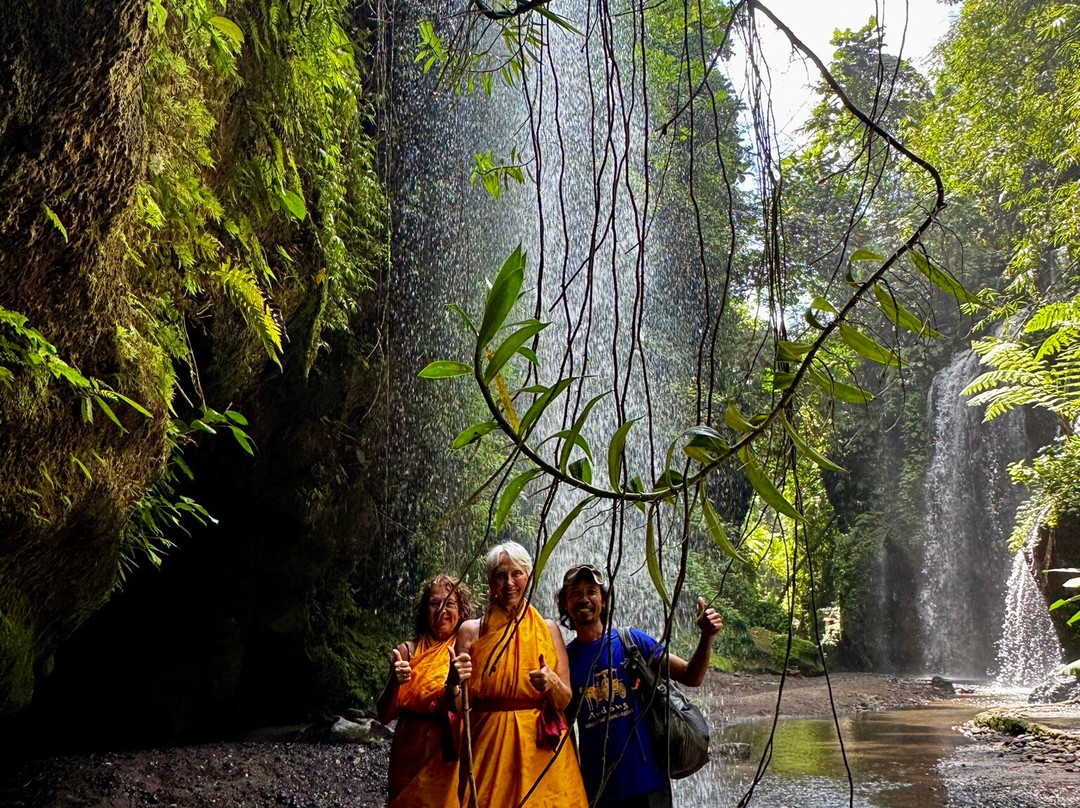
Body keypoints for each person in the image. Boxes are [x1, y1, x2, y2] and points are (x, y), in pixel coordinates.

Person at [557, 563, 723, 808]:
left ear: (603, 600)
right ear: (564, 604)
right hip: (597, 791)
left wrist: (707, 637)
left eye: (592, 591)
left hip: (650, 787)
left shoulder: (630, 641)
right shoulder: (564, 661)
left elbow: (691, 676)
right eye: (575, 593)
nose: (584, 598)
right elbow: (563, 728)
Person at [446, 541, 589, 808]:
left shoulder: (548, 629)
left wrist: (551, 683)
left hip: (542, 749)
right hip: (488, 746)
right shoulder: (471, 631)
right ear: (490, 581)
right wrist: (453, 681)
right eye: (500, 575)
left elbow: (565, 700)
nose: (509, 583)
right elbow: (456, 705)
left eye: (516, 574)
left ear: (529, 576)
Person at [376, 574, 473, 808]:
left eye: (450, 603)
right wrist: (395, 682)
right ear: (424, 610)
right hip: (409, 751)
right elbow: (383, 715)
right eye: (434, 603)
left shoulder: (468, 650)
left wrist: (453, 684)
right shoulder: (408, 651)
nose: (442, 611)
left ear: (461, 610)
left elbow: (461, 707)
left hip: (449, 752)